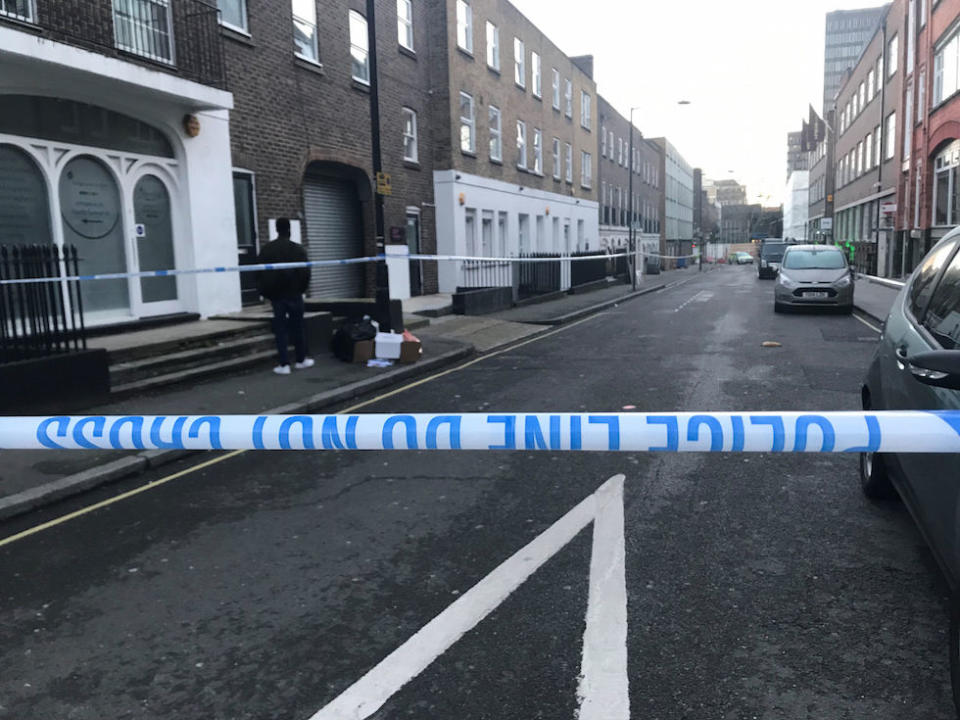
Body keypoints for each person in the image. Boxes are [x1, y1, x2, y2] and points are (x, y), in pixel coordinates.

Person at [256, 218, 314, 375]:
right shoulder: (298, 249)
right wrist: (301, 290)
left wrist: (267, 293)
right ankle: (301, 360)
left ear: (276, 229)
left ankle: (284, 364)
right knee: (298, 327)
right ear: (289, 230)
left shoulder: (267, 249)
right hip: (295, 295)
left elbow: (259, 273)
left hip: (277, 297)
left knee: (280, 330)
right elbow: (306, 273)